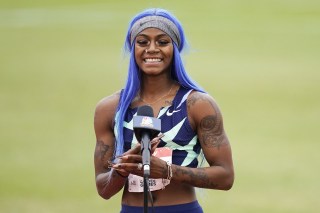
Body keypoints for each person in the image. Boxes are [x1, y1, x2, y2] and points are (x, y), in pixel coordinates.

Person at [93, 8, 234, 213]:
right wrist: (123, 170)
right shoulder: (109, 108)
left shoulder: (198, 105)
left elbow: (226, 176)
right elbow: (103, 189)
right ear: (132, 49)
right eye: (142, 42)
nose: (152, 49)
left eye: (162, 41)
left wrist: (167, 171)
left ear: (175, 48)